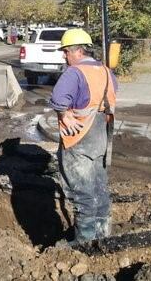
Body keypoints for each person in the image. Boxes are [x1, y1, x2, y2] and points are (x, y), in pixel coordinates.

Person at [49, 28, 117, 245]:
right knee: (99, 188)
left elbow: (59, 99)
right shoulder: (106, 71)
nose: (64, 56)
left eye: (65, 52)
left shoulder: (74, 72)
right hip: (101, 138)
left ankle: (85, 243)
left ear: (75, 51)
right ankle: (102, 236)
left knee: (83, 194)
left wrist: (64, 114)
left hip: (78, 138)